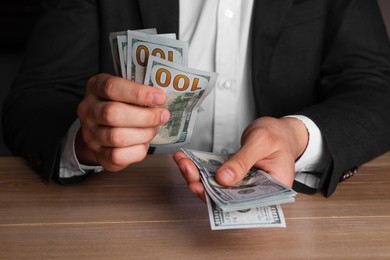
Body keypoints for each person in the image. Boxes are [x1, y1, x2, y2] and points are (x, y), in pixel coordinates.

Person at [3, 0, 390, 199]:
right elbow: (35, 99)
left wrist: (297, 138)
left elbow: (377, 86)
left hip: (297, 220)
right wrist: (86, 140)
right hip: (123, 211)